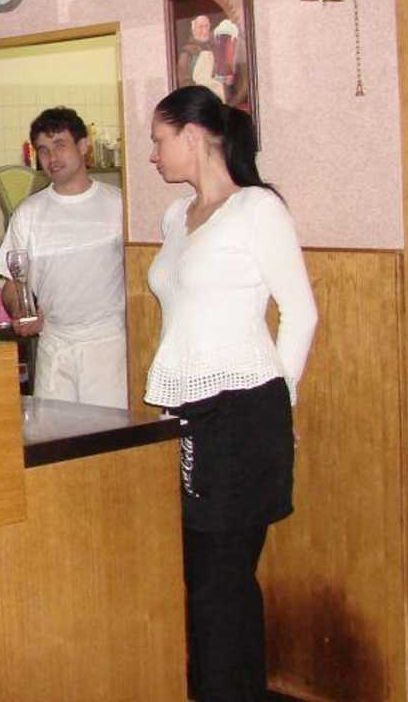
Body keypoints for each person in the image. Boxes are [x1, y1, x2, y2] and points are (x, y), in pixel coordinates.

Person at [146, 85, 317, 702]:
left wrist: (280, 404)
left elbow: (301, 313)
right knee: (204, 578)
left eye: (159, 140)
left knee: (221, 581)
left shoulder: (257, 209)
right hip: (189, 412)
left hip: (245, 410)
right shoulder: (175, 217)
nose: (153, 154)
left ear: (193, 137)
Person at [0, 107, 126, 407]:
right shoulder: (28, 213)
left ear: (83, 145)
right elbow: (12, 284)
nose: (51, 157)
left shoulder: (119, 205)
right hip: (54, 347)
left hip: (110, 347)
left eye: (60, 145)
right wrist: (20, 312)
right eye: (43, 149)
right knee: (56, 432)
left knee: (110, 435)